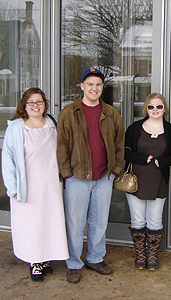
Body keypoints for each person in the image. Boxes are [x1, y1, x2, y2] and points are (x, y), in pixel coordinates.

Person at [57, 68, 125, 284]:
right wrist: (67, 174)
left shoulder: (111, 113)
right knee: (75, 224)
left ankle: (95, 258)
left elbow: (119, 144)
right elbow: (61, 146)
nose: (94, 88)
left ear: (102, 88)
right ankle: (74, 263)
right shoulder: (69, 112)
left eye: (98, 84)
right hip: (77, 177)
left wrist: (115, 170)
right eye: (90, 84)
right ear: (82, 87)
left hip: (104, 177)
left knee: (99, 222)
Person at [1, 87, 68, 283]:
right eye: (31, 102)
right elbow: (8, 160)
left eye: (39, 102)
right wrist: (12, 188)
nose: (35, 106)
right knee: (31, 225)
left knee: (49, 222)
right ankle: (34, 262)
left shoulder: (53, 123)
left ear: (45, 104)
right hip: (27, 186)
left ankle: (46, 259)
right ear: (24, 105)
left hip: (51, 185)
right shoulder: (16, 127)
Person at [125, 93, 171, 271]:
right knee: (138, 220)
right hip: (136, 181)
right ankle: (141, 255)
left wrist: (164, 161)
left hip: (159, 181)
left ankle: (153, 255)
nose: (155, 110)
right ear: (146, 109)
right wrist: (141, 157)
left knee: (155, 221)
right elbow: (124, 151)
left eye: (159, 106)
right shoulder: (134, 128)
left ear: (165, 108)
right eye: (151, 106)